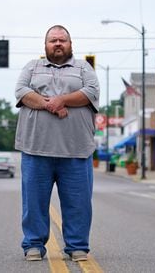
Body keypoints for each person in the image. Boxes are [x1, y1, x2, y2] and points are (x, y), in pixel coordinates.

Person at [14, 25, 100, 262]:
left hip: (76, 150)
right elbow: (21, 91)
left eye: (62, 40)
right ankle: (33, 244)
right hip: (35, 149)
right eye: (53, 40)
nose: (58, 44)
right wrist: (50, 104)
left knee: (78, 204)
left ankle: (77, 246)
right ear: (45, 45)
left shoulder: (84, 68)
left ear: (71, 44)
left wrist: (62, 99)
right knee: (34, 203)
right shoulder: (32, 67)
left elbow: (91, 91)